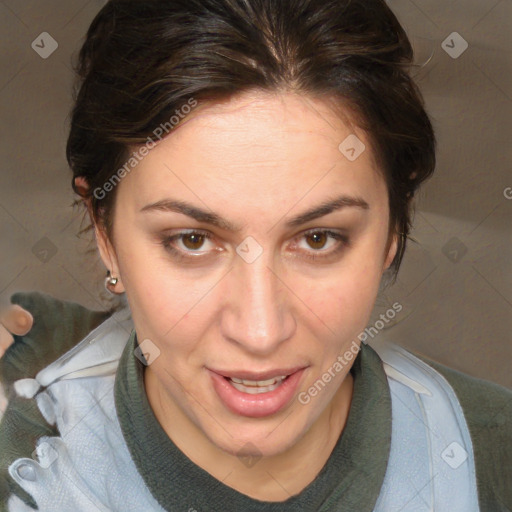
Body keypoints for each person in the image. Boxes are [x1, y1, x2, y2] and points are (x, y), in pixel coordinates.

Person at [0, 0, 510, 510]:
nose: (260, 332)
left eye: (318, 239)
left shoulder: (492, 456)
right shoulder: (23, 459)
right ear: (104, 233)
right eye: (192, 240)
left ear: (393, 230)